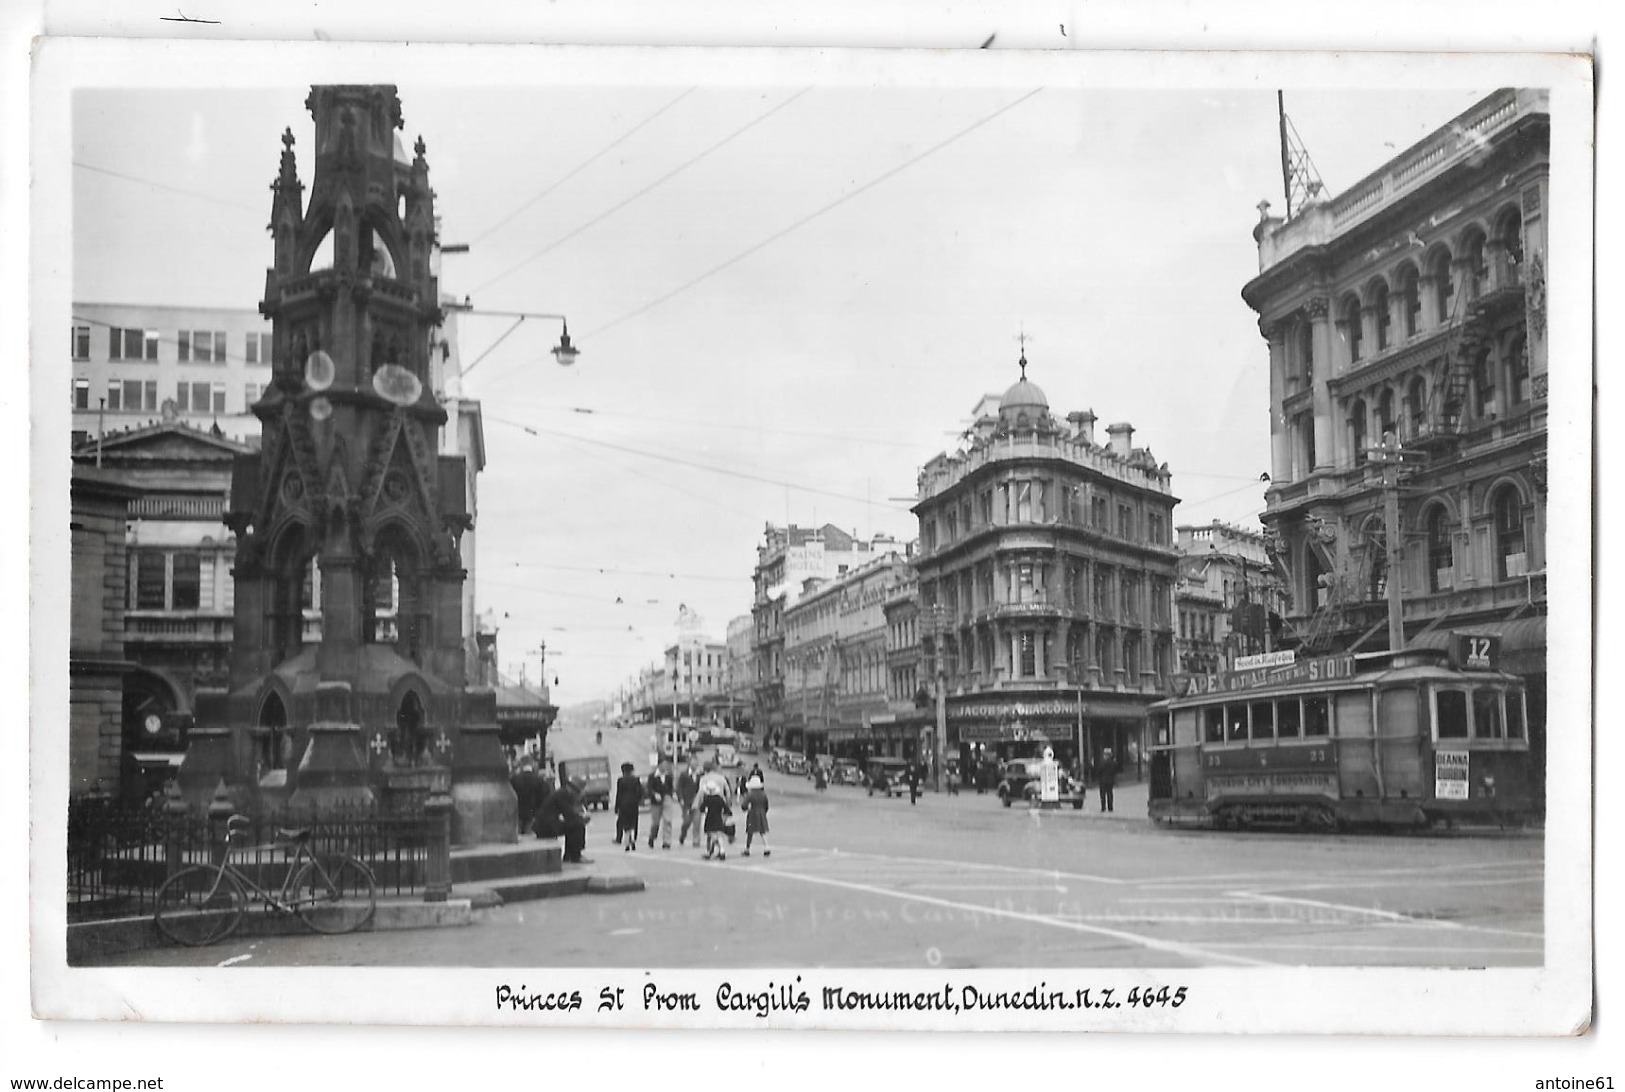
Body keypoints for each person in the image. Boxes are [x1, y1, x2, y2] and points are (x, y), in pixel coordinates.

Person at [535, 776, 591, 863]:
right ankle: (576, 855)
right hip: (546, 826)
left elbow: (569, 814)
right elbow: (569, 814)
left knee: (574, 824)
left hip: (546, 824)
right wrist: (582, 818)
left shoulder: (563, 793)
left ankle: (569, 855)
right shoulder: (563, 794)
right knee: (578, 824)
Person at [510, 756, 547, 838]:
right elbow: (543, 799)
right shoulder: (539, 780)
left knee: (518, 838)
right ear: (532, 764)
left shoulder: (514, 779)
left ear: (521, 764)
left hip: (518, 814)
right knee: (529, 840)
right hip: (533, 815)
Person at [646, 759, 677, 849]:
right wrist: (654, 794)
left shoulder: (668, 776)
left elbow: (671, 788)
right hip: (656, 802)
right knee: (655, 823)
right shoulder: (652, 776)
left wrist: (671, 795)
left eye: (666, 765)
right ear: (659, 765)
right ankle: (652, 836)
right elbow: (649, 788)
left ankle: (666, 841)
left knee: (667, 820)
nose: (665, 767)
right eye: (663, 765)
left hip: (666, 799)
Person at [699, 780, 733, 861]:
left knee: (712, 836)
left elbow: (702, 808)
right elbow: (727, 810)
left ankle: (719, 851)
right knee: (718, 835)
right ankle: (719, 851)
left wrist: (704, 809)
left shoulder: (707, 799)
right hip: (718, 818)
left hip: (710, 819)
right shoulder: (719, 799)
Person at [613, 762, 643, 851]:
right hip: (634, 804)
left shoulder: (620, 780)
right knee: (633, 822)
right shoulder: (636, 780)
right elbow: (641, 792)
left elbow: (618, 794)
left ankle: (626, 841)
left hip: (623, 805)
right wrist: (638, 800)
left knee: (624, 823)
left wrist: (616, 806)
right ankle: (633, 839)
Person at [742, 775, 771, 857]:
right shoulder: (763, 794)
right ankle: (766, 847)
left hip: (753, 813)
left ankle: (747, 849)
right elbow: (766, 805)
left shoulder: (750, 794)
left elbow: (744, 805)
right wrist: (764, 811)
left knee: (750, 832)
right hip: (761, 812)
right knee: (762, 831)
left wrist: (745, 808)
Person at [676, 757, 702, 847]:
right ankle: (683, 835)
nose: (695, 765)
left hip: (697, 802)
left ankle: (696, 840)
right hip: (686, 802)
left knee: (697, 822)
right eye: (693, 763)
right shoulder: (684, 775)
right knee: (687, 821)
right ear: (689, 764)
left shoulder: (700, 775)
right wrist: (680, 798)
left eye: (696, 763)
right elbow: (679, 787)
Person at [1097, 748, 1118, 813]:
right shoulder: (1113, 763)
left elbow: (1099, 770)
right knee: (1109, 794)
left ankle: (1103, 807)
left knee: (1103, 794)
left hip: (1103, 781)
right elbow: (1115, 770)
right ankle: (1110, 807)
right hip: (1110, 781)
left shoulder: (1102, 762)